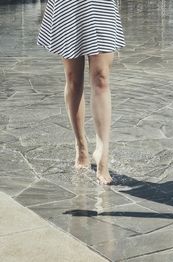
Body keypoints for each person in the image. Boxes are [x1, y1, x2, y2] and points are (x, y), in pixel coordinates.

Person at [36, 0, 126, 185]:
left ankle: (103, 152)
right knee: (74, 79)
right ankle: (81, 144)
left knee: (101, 77)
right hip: (70, 5)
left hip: (100, 4)